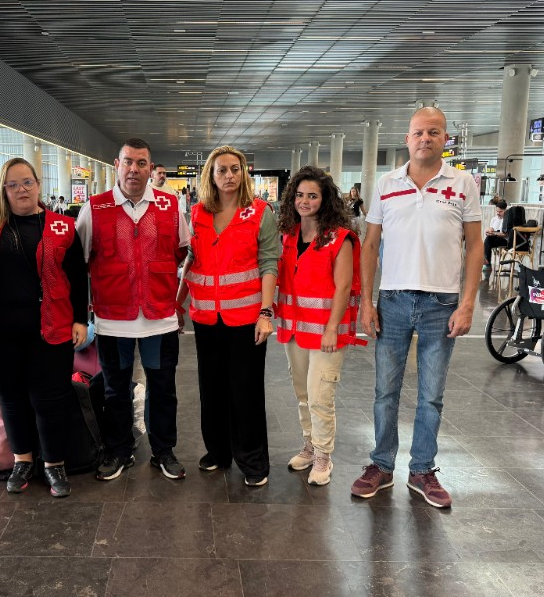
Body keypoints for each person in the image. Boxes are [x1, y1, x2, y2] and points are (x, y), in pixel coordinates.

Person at [351, 107, 482, 508]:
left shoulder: (463, 183)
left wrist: (467, 303)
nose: (425, 138)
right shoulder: (387, 183)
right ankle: (381, 465)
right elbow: (370, 246)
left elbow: (475, 245)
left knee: (431, 395)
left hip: (441, 304)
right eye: (418, 132)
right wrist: (366, 303)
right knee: (384, 392)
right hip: (392, 300)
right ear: (407, 139)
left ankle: (423, 469)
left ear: (445, 139)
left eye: (434, 132)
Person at [76, 138, 189, 481]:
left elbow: (182, 252)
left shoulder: (170, 207)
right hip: (113, 320)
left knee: (163, 387)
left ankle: (163, 450)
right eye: (128, 162)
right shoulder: (94, 209)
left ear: (151, 168)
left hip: (159, 319)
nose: (134, 170)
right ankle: (118, 450)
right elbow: (79, 263)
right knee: (115, 389)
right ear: (117, 164)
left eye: (142, 163)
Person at [0, 157, 88, 498]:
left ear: (39, 185)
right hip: (0, 331)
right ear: (3, 190)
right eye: (13, 184)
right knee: (10, 397)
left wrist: (80, 319)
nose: (21, 189)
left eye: (27, 182)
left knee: (49, 398)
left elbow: (77, 276)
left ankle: (54, 464)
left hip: (51, 328)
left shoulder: (62, 226)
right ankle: (22, 459)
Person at [177, 145, 279, 487]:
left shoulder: (260, 213)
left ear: (244, 173)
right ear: (211, 175)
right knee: (212, 387)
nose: (229, 176)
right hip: (205, 317)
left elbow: (268, 263)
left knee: (245, 389)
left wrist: (266, 312)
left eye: (235, 169)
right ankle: (218, 451)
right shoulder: (199, 213)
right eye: (222, 170)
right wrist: (179, 303)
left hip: (246, 319)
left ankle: (252, 459)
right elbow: (192, 259)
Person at [275, 166, 365, 486]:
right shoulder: (287, 235)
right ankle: (310, 446)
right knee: (302, 393)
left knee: (320, 395)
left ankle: (324, 455)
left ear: (325, 200)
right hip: (295, 330)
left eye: (312, 195)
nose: (304, 201)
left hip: (326, 333)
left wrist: (331, 328)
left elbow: (343, 288)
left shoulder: (339, 238)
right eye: (299, 195)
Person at [483, 199, 508, 270]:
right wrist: (489, 232)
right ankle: (487, 261)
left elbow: (506, 235)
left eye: (500, 211)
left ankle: (487, 262)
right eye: (497, 211)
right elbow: (491, 229)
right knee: (488, 239)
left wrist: (495, 233)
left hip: (504, 240)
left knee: (488, 240)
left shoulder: (507, 220)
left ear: (505, 210)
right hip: (495, 239)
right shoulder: (494, 219)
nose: (498, 213)